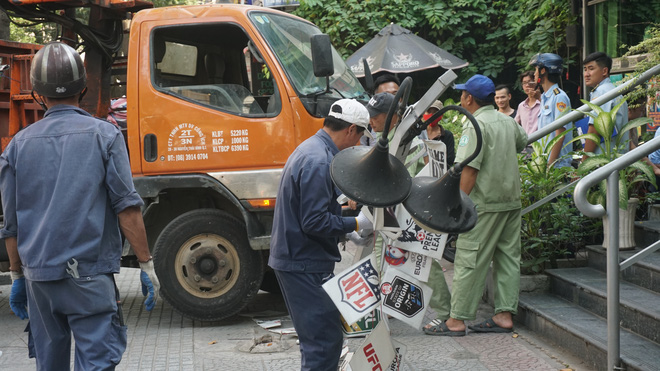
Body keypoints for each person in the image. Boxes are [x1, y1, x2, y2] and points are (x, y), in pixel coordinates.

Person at [0, 42, 159, 370]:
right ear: (83, 88)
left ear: (37, 94)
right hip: (89, 277)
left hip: (40, 282)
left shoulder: (17, 147)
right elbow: (127, 209)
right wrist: (146, 265)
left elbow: (11, 223)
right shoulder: (106, 136)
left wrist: (17, 275)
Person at [268, 99, 371, 371]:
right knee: (323, 342)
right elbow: (313, 221)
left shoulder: (313, 149)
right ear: (351, 130)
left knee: (321, 339)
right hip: (303, 262)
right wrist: (355, 225)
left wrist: (344, 222)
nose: (358, 144)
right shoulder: (318, 160)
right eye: (360, 136)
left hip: (300, 257)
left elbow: (315, 211)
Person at [423, 74, 527, 336]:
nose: (460, 98)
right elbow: (522, 142)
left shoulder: (474, 125)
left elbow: (468, 171)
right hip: (511, 201)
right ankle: (503, 315)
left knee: (470, 258)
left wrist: (457, 207)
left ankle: (456, 320)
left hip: (484, 204)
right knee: (507, 259)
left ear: (468, 98)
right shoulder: (507, 121)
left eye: (462, 94)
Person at [582, 51, 629, 160]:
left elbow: (594, 130)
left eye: (591, 69)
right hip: (617, 160)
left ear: (604, 71)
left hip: (604, 161)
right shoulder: (613, 90)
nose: (586, 74)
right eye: (585, 69)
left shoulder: (601, 92)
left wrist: (583, 163)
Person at [530, 53, 573, 168]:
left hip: (557, 166)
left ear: (543, 70)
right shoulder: (544, 97)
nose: (534, 74)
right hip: (546, 164)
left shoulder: (559, 97)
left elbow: (560, 135)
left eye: (536, 70)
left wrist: (549, 165)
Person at [361, 74, 401, 146]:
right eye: (385, 95)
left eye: (395, 94)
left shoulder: (412, 124)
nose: (393, 100)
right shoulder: (371, 127)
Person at [423, 99, 456, 166]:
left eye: (435, 113)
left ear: (441, 115)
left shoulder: (447, 136)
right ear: (424, 113)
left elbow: (449, 161)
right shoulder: (419, 134)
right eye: (429, 111)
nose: (432, 115)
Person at [514, 71, 541, 135]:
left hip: (542, 143)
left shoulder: (543, 101)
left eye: (530, 82)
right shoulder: (521, 106)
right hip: (527, 142)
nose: (527, 85)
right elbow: (514, 125)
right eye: (524, 83)